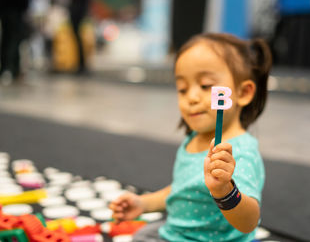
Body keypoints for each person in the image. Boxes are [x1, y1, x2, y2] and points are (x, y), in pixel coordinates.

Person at [109, 33, 272, 242]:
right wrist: (144, 204)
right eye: (182, 89)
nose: (191, 98)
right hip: (181, 233)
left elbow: (249, 221)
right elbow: (182, 190)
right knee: (142, 234)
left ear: (243, 93)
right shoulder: (194, 138)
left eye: (205, 85)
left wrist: (225, 191)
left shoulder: (240, 152)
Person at [0, 0, 47, 83]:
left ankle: (6, 68)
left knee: (7, 35)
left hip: (5, 1)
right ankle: (11, 68)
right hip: (14, 2)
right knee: (13, 36)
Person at [62, 0, 93, 75]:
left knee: (77, 35)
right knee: (76, 35)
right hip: (78, 4)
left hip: (79, 6)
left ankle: (82, 65)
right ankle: (80, 64)